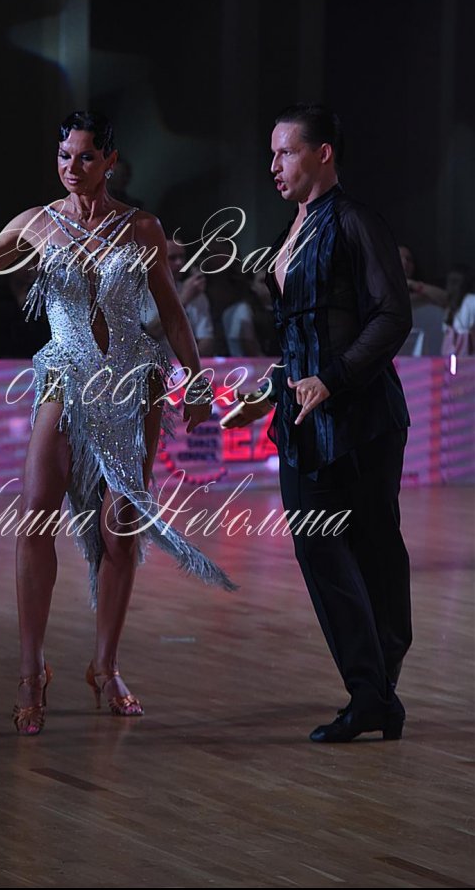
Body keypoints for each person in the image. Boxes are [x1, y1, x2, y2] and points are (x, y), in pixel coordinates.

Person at [0, 111, 236, 736]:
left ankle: (105, 665)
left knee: (120, 529)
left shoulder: (142, 227)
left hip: (132, 385)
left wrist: (198, 378)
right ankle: (30, 671)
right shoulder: (37, 223)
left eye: (85, 157)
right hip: (64, 377)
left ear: (110, 161)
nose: (72, 167)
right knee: (35, 517)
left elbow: (171, 312)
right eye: (63, 156)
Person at [224, 104, 412, 743]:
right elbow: (299, 341)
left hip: (364, 419)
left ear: (322, 153)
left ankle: (374, 694)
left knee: (374, 551)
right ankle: (373, 693)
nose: (273, 165)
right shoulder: (292, 230)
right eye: (272, 154)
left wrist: (330, 379)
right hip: (302, 421)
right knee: (318, 550)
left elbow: (392, 317)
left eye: (286, 152)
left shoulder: (357, 222)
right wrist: (268, 394)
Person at [143, 237, 216, 355]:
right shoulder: (139, 295)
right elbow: (151, 335)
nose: (180, 263)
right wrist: (182, 300)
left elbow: (206, 340)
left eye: (182, 257)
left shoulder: (194, 292)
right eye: (172, 258)